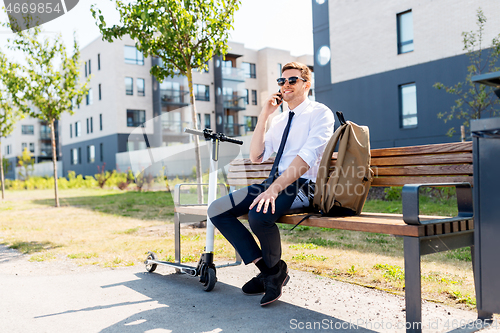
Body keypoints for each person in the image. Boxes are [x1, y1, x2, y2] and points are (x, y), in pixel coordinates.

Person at [208, 62, 334, 306]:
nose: (285, 84)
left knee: (258, 215)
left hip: (303, 184)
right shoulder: (279, 120)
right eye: (282, 81)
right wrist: (264, 115)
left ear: (306, 84)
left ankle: (271, 274)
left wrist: (274, 190)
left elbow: (307, 158)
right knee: (217, 210)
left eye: (292, 80)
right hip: (274, 182)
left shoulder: (320, 113)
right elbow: (257, 156)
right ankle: (270, 271)